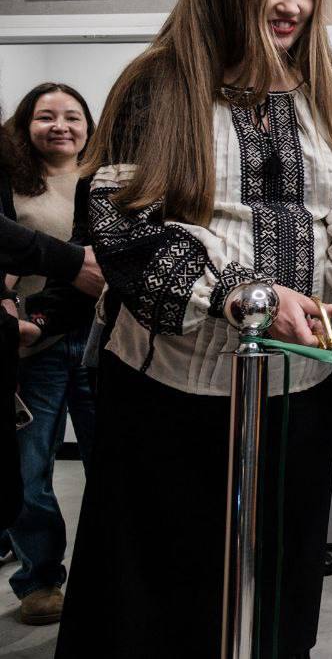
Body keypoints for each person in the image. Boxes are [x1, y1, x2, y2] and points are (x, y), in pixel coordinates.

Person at [55, 0, 332, 659]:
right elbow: (118, 225)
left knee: (278, 605)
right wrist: (242, 293)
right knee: (163, 607)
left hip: (295, 399)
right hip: (169, 398)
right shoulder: (155, 85)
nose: (290, 5)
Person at [2, 82, 101, 625]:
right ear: (26, 124)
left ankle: (107, 577)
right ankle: (39, 581)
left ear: (89, 125)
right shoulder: (10, 182)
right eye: (45, 116)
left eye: (72, 116)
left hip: (97, 340)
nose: (60, 126)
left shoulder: (105, 179)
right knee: (29, 468)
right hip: (30, 344)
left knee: (111, 465)